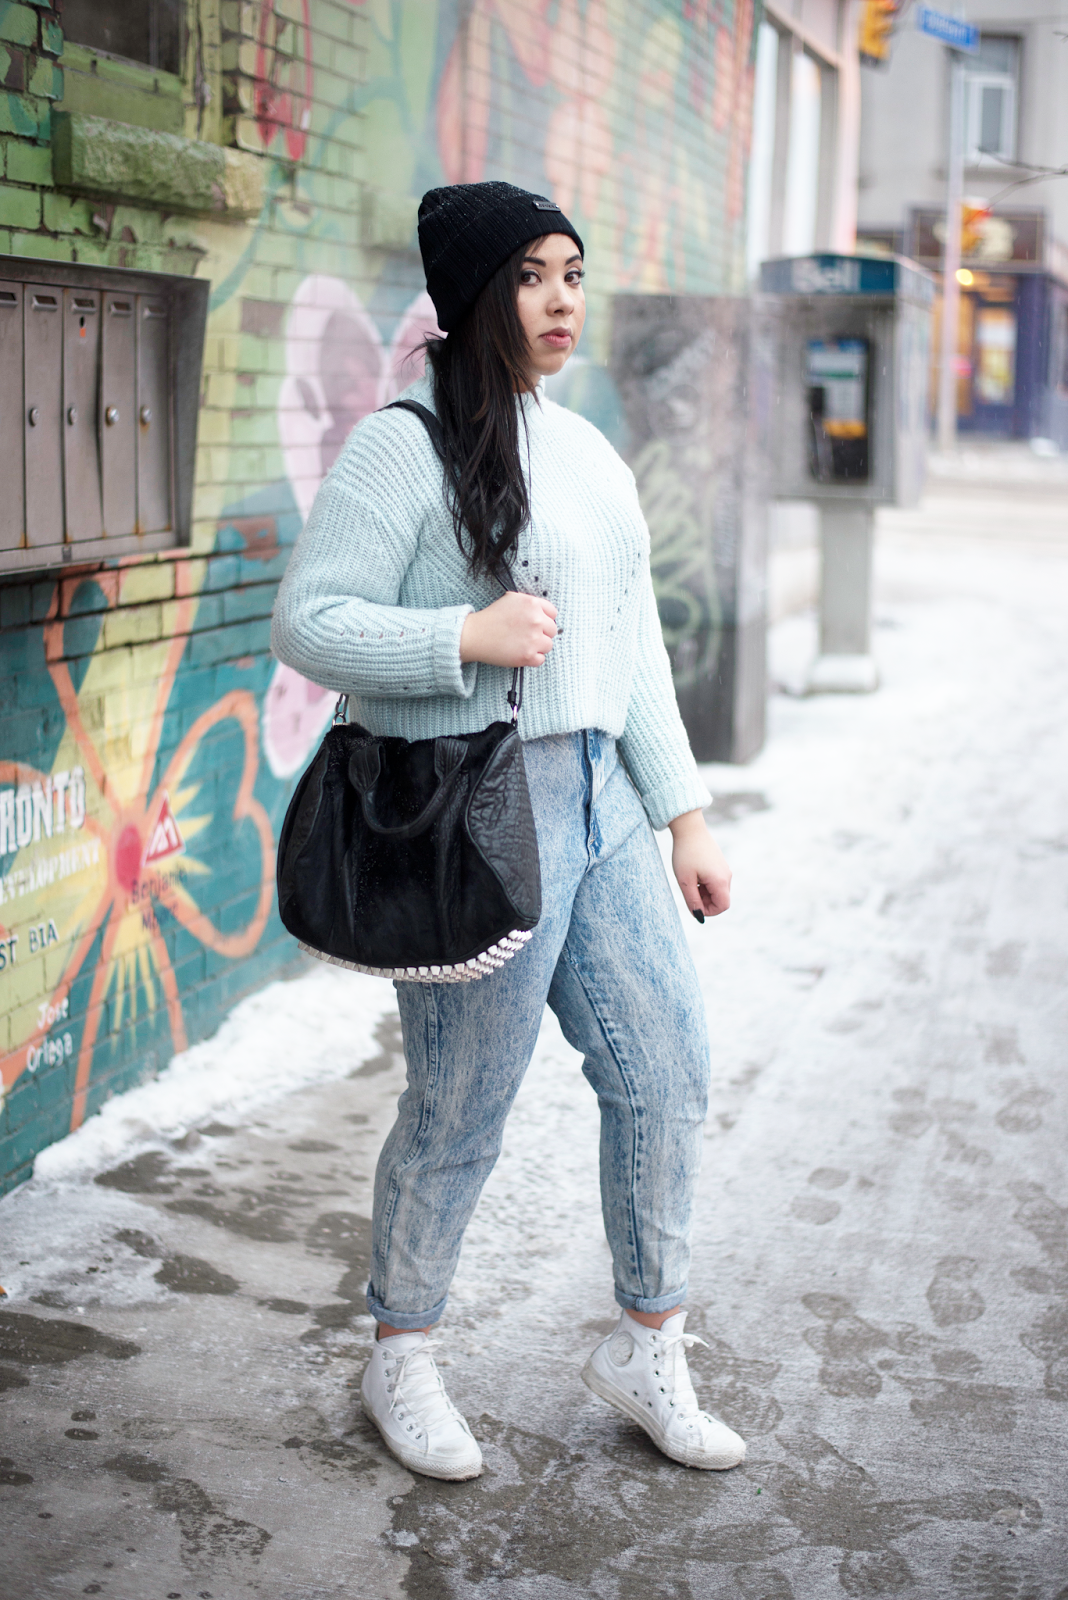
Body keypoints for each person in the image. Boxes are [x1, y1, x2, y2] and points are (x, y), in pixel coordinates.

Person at [271, 181, 746, 1481]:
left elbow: (633, 649)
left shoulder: (586, 451)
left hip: (603, 804)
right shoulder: (404, 447)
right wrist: (460, 639)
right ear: (478, 296)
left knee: (666, 1070)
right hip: (477, 816)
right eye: (532, 277)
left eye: (573, 275)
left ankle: (649, 1343)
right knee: (461, 1104)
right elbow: (310, 619)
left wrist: (685, 814)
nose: (559, 301)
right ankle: (402, 1353)